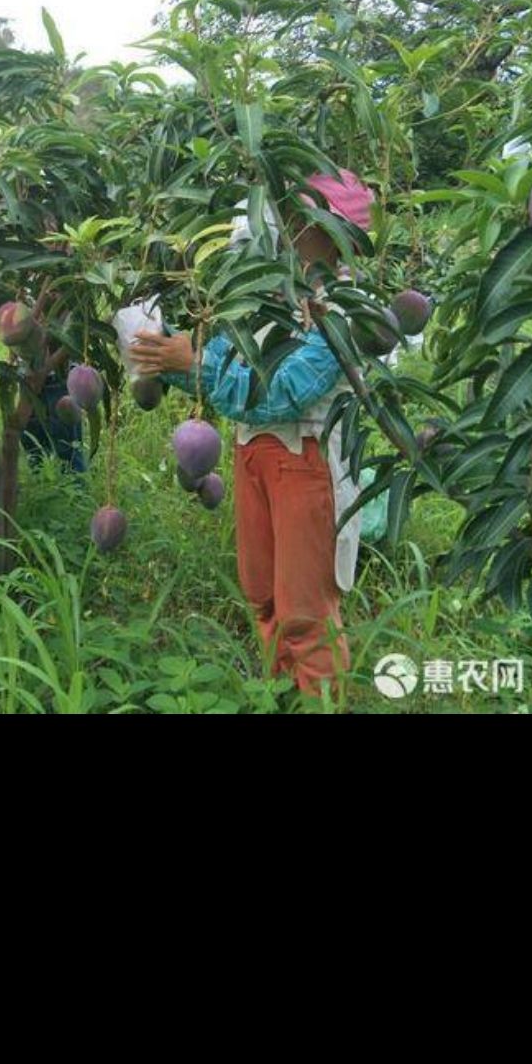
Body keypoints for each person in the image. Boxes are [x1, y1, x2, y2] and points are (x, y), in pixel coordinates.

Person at [132, 168, 375, 704]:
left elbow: (282, 393)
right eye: (285, 215)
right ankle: (278, 692)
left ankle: (321, 698)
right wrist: (164, 354)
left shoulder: (341, 311)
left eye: (298, 219)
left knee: (305, 610)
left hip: (306, 462)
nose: (285, 227)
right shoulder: (262, 297)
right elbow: (221, 358)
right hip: (251, 456)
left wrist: (193, 363)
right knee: (261, 593)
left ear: (332, 236)